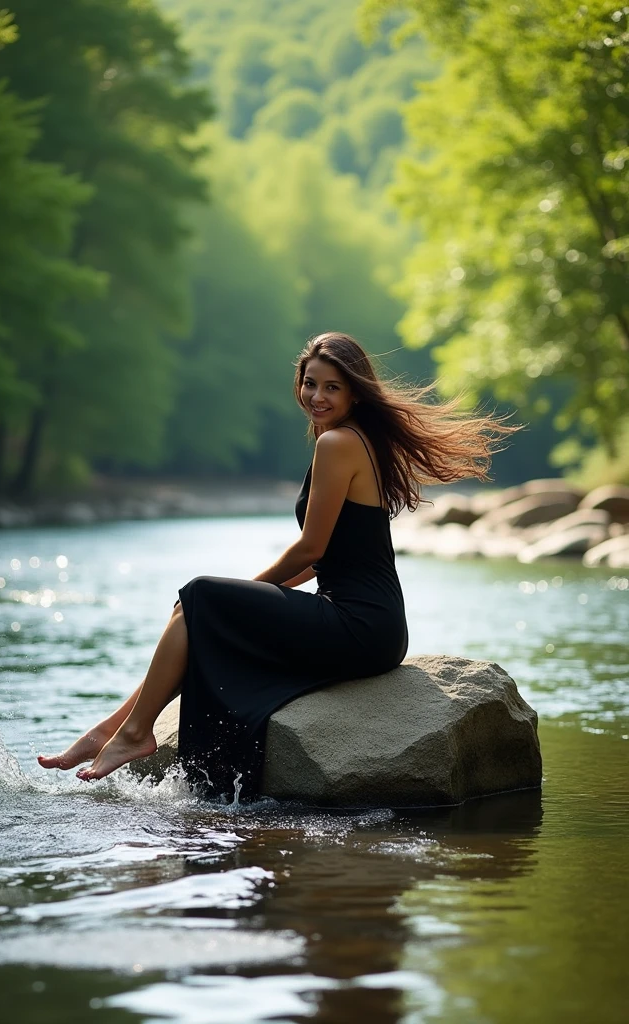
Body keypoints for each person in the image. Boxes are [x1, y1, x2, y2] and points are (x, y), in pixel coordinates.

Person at [38, 332, 514, 800]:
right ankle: (116, 729)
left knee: (199, 598)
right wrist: (235, 603)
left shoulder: (338, 445)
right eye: (311, 383)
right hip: (374, 625)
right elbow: (325, 554)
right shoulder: (352, 441)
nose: (317, 396)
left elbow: (309, 548)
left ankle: (131, 731)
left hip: (360, 624)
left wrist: (238, 596)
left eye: (332, 387)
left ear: (354, 392)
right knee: (194, 611)